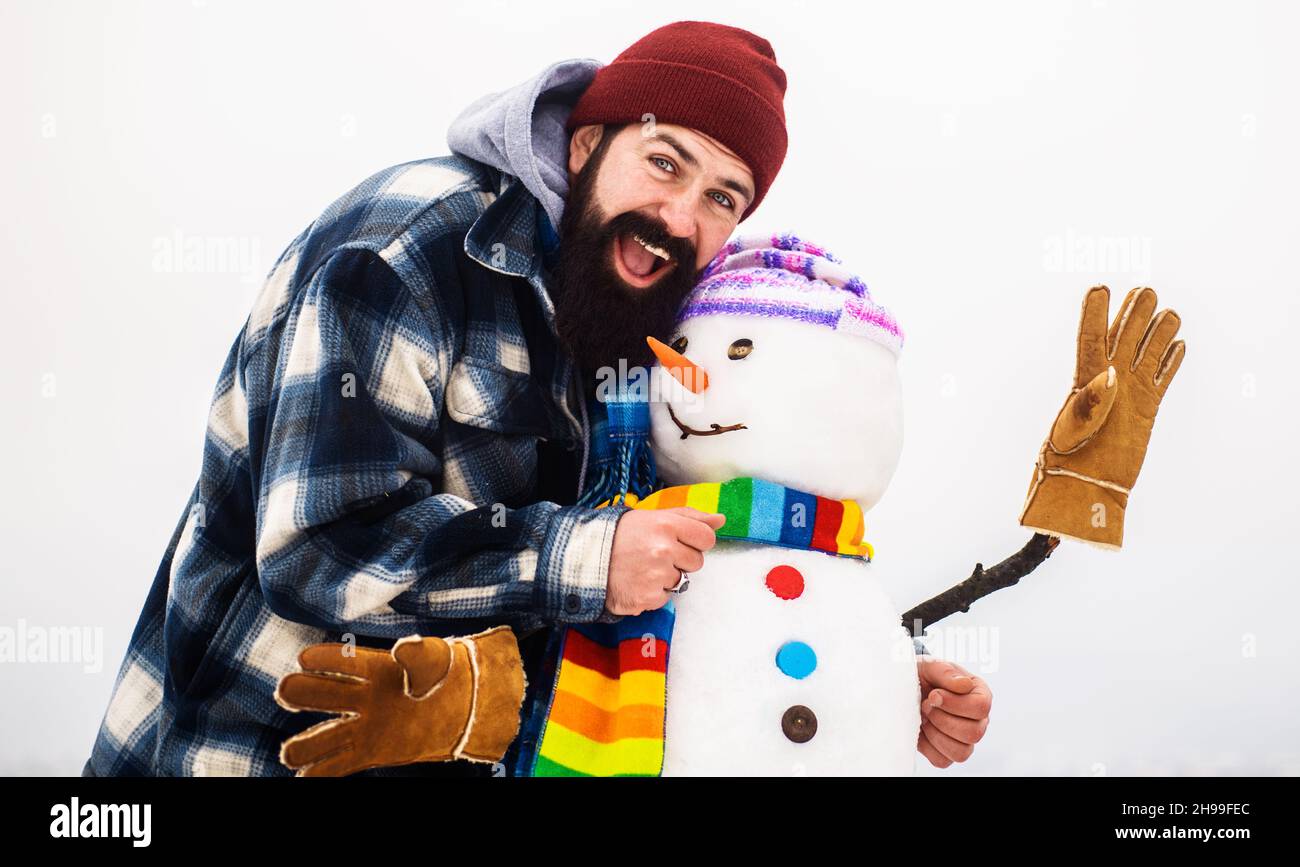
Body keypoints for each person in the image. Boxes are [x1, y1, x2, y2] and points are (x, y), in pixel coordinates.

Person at [84, 20, 990, 777]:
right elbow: (319, 543)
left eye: (723, 196)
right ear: (587, 142)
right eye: (665, 162)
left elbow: (678, 558)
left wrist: (867, 688)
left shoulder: (642, 314)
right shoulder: (409, 246)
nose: (681, 218)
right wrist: (587, 559)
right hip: (250, 749)